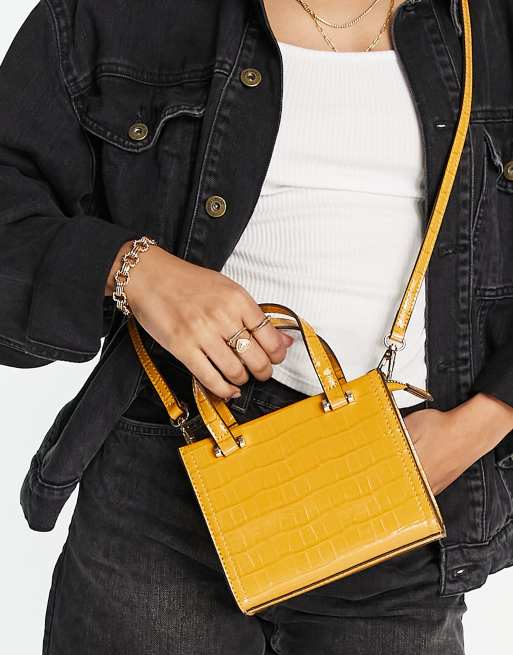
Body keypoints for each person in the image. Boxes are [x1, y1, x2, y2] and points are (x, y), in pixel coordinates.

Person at [2, 0, 513, 653]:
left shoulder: (491, 26)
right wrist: (135, 269)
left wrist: (479, 423)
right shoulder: (119, 13)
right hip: (169, 472)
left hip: (399, 480)